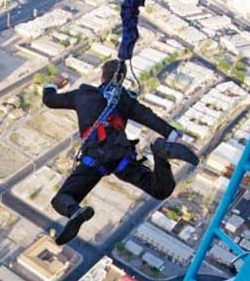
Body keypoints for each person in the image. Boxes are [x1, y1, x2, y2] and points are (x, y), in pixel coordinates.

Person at [43, 60, 199, 245]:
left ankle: (75, 212)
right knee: (161, 190)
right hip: (121, 157)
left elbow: (50, 100)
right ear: (122, 78)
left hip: (95, 160)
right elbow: (150, 118)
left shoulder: (83, 95)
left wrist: (53, 83)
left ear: (102, 75)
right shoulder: (124, 100)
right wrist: (173, 135)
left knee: (61, 198)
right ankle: (160, 154)